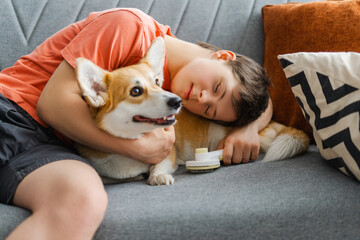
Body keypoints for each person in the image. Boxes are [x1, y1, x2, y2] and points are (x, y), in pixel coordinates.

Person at [0, 8, 272, 239]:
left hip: (49, 147)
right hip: (13, 111)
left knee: (81, 200)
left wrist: (247, 128)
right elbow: (51, 105)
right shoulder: (131, 28)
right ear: (223, 56)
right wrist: (137, 149)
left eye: (209, 110)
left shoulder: (164, 91)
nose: (202, 98)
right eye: (217, 87)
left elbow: (267, 101)